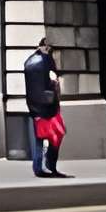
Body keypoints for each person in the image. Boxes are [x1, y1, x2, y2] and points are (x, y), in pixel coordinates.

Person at [24, 39, 68, 178]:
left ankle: (41, 166)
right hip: (47, 108)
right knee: (52, 137)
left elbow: (33, 89)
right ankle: (46, 166)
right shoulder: (44, 61)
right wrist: (54, 84)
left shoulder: (31, 61)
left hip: (37, 107)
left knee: (41, 138)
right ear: (47, 47)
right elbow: (47, 85)